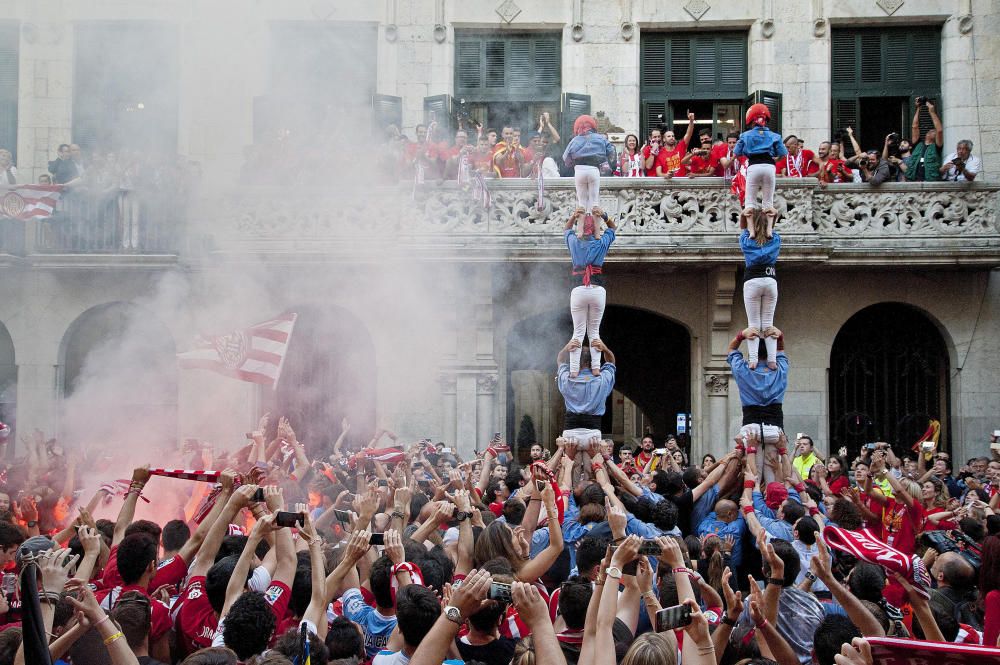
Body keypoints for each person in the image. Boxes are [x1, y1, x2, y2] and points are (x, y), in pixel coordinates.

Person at [563, 205, 617, 377]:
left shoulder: (574, 242)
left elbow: (566, 229)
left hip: (578, 289)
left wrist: (574, 216)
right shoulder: (601, 242)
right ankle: (595, 368)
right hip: (597, 290)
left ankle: (572, 371)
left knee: (578, 332)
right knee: (594, 332)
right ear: (594, 229)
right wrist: (604, 215)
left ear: (581, 230)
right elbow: (613, 228)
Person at [739, 206, 780, 370]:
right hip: (770, 280)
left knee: (754, 324)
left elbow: (744, 229)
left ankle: (753, 359)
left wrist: (745, 216)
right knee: (768, 322)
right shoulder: (775, 239)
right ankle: (772, 360)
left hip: (752, 281)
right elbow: (770, 232)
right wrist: (773, 218)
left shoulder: (747, 241)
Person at [556, 336, 616, 449]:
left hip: (571, 430)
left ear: (575, 361)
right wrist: (604, 349)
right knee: (593, 465)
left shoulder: (566, 379)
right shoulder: (602, 380)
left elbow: (560, 360)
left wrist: (566, 348)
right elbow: (611, 362)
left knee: (571, 465)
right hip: (593, 430)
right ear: (593, 361)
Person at [734, 103, 787, 223]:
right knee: (768, 203)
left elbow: (736, 153)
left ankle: (752, 232)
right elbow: (783, 154)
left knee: (750, 202)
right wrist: (775, 160)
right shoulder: (775, 136)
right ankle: (768, 231)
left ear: (752, 121)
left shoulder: (745, 135)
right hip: (769, 166)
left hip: (753, 166)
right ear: (766, 120)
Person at [562, 115, 616, 232]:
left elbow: (565, 158)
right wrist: (606, 162)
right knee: (594, 203)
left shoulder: (574, 140)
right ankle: (596, 234)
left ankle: (581, 232)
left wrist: (571, 164)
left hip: (579, 170)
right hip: (594, 170)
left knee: (581, 204)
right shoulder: (601, 138)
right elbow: (611, 152)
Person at [906, 98, 943, 182]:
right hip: (914, 180)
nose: (933, 130)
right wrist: (918, 108)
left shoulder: (937, 146)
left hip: (930, 181)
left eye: (934, 131)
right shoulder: (918, 144)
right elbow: (914, 126)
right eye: (931, 130)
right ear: (926, 135)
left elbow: (939, 130)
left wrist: (932, 112)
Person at [654, 111, 696, 178]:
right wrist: (666, 175)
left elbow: (688, 134)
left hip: (682, 184)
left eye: (673, 136)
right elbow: (658, 173)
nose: (672, 138)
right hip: (667, 184)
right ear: (664, 139)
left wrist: (691, 121)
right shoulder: (660, 153)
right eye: (669, 136)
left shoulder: (680, 147)